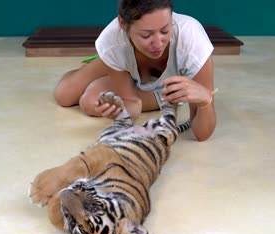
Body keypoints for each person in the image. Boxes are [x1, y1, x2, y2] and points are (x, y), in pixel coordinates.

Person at [54, 0, 216, 142]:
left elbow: (203, 134)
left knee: (89, 101)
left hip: (157, 84)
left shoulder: (193, 41)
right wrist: (119, 110)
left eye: (165, 31)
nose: (158, 43)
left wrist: (205, 100)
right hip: (121, 53)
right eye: (146, 35)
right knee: (64, 95)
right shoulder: (113, 39)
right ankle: (106, 63)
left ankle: (118, 69)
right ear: (123, 24)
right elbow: (130, 102)